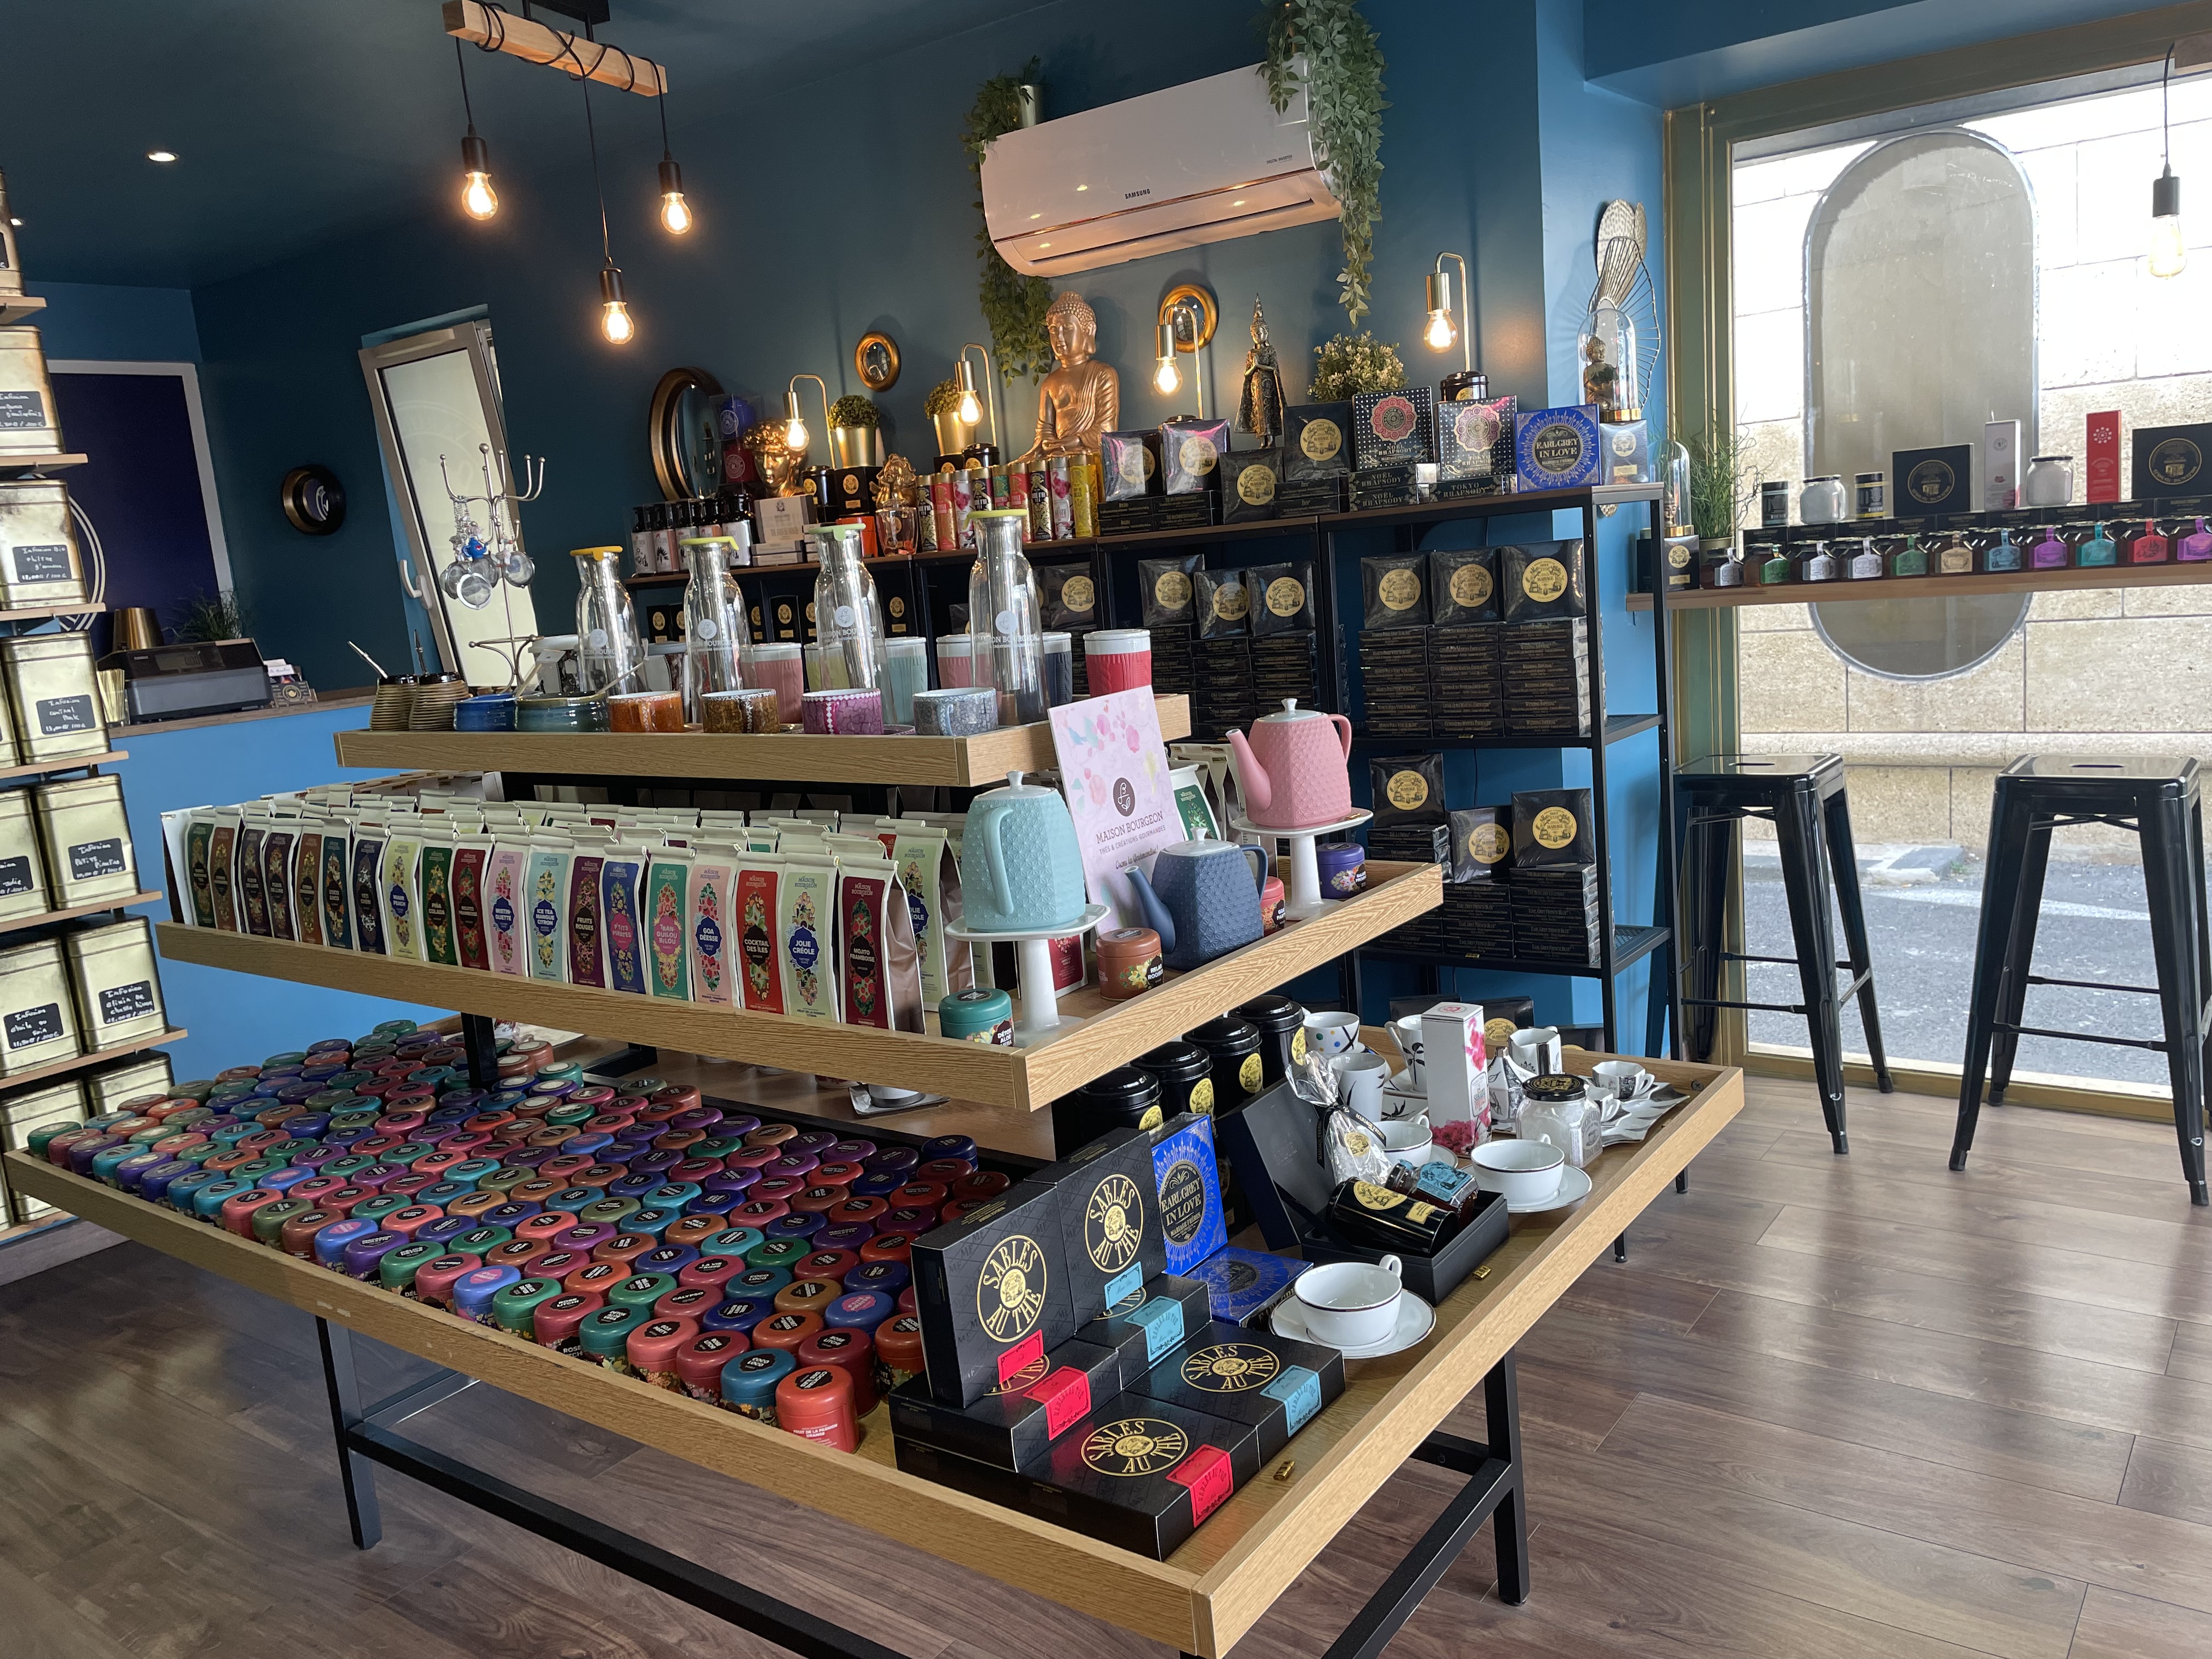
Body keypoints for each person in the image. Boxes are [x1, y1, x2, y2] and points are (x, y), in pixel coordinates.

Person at [1021, 291, 1120, 461]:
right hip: (1058, 454)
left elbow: (1106, 429)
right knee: (1023, 464)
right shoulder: (1049, 383)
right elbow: (1044, 430)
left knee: (1086, 458)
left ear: (1088, 330)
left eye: (1067, 328)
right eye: (1053, 330)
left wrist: (1075, 441)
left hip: (1088, 453)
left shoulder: (1103, 374)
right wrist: (1048, 443)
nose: (1059, 337)